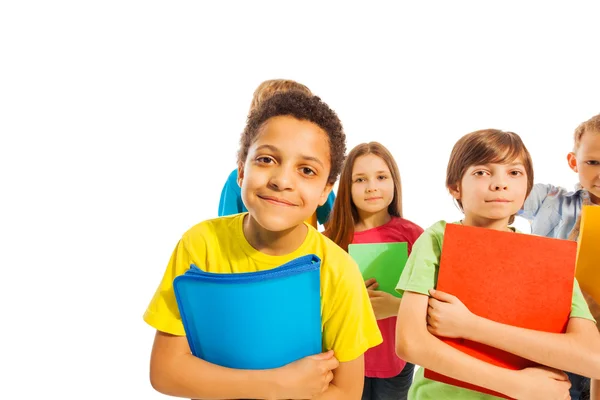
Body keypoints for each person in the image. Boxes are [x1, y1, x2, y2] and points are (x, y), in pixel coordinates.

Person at [144, 91, 382, 399]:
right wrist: (279, 384)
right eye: (266, 159)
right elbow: (165, 371)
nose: (282, 180)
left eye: (306, 170)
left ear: (326, 191)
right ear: (241, 170)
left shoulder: (339, 271)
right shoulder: (200, 244)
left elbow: (347, 392)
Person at [395, 129, 600, 400]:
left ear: (528, 188)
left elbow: (593, 357)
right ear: (455, 186)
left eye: (514, 173)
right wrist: (518, 385)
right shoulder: (438, 238)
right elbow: (410, 343)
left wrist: (471, 326)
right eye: (482, 172)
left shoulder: (545, 256)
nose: (500, 183)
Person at [325, 141, 423, 400]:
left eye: (381, 177)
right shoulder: (330, 240)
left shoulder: (415, 236)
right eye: (360, 179)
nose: (372, 187)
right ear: (347, 186)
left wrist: (396, 306)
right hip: (343, 358)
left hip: (395, 359)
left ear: (394, 182)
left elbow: (434, 302)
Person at [519, 113, 600, 400]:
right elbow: (505, 191)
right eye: (593, 162)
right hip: (552, 334)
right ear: (573, 162)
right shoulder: (550, 200)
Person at [218, 79, 335, 228]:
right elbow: (226, 231)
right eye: (266, 160)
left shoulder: (315, 179)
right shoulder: (235, 180)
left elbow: (335, 227)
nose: (282, 182)